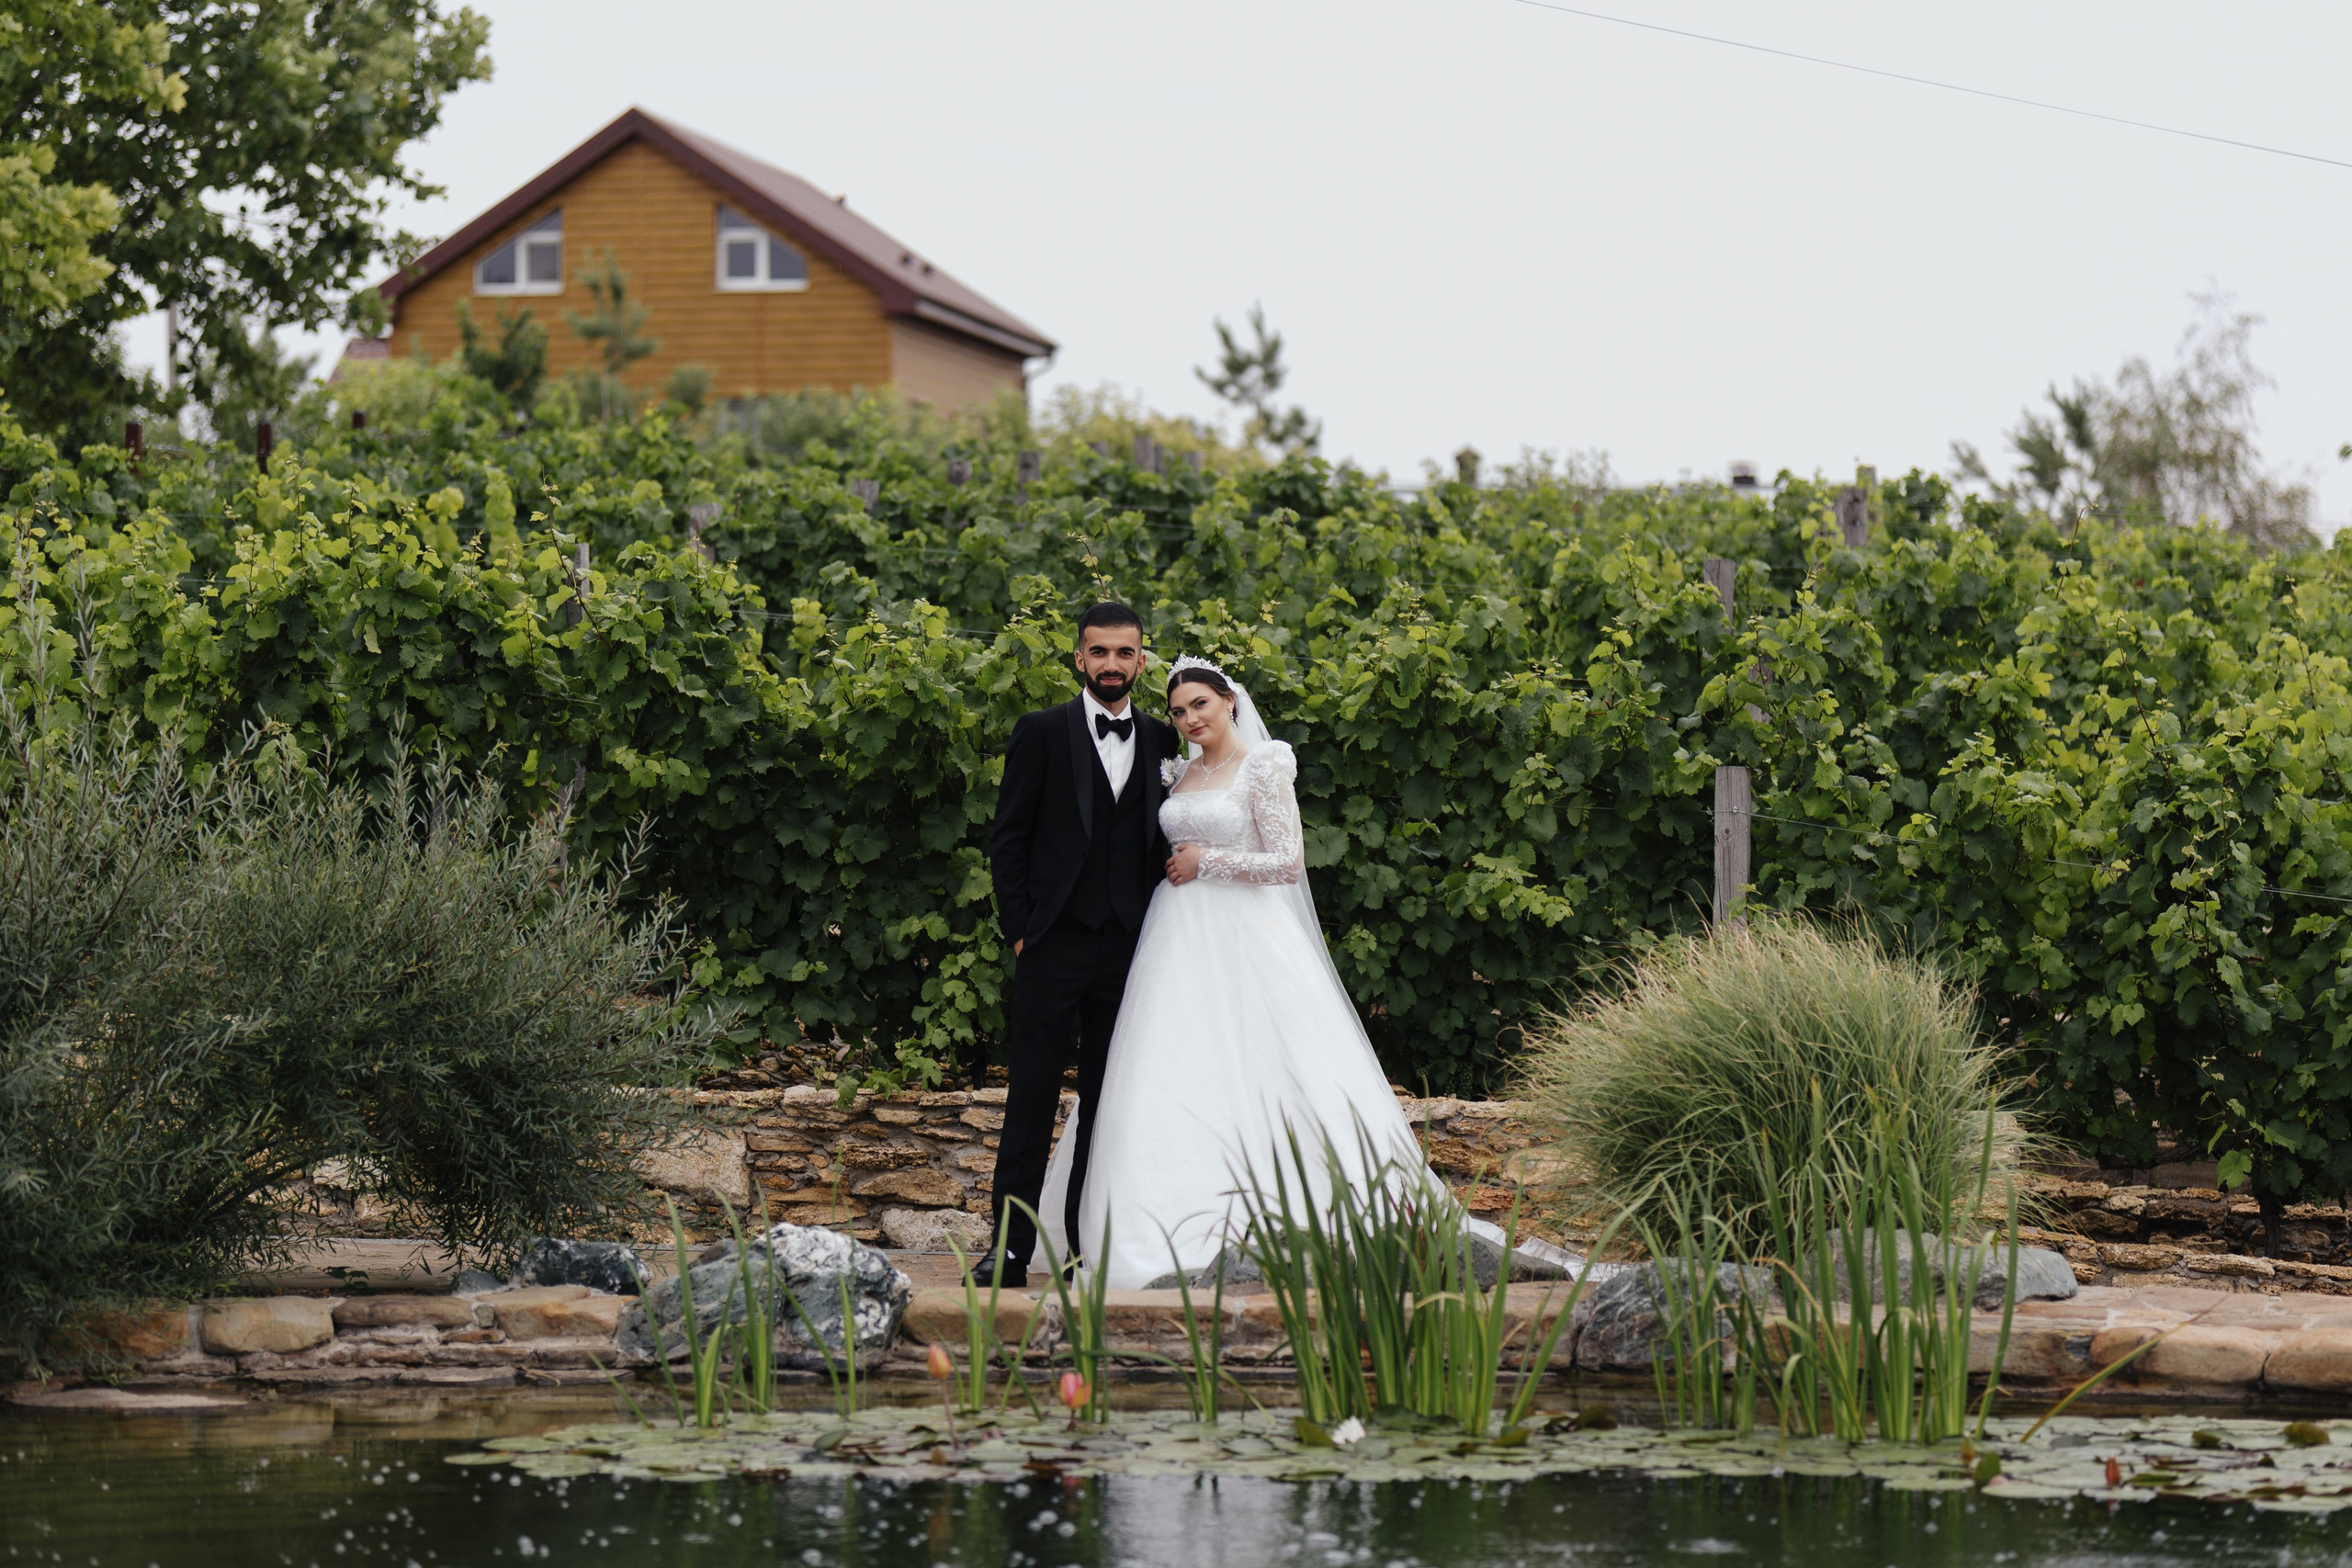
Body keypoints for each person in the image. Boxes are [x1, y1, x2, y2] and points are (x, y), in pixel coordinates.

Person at [1035, 656, 1431, 1288]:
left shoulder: (1264, 765)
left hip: (1246, 935)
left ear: (1228, 700)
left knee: (1272, 1062)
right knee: (1165, 1062)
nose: (1189, 719)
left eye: (1200, 704)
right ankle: (1147, 1225)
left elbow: (1287, 861)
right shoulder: (1179, 771)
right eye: (1178, 711)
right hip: (1174, 936)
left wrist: (1208, 862)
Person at [977, 603, 1182, 1286]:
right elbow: (1008, 838)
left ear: (1141, 661)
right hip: (1052, 944)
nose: (1112, 664)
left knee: (1107, 1102)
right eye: (1099, 651)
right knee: (1030, 1098)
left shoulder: (1163, 739)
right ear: (1079, 658)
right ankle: (1010, 1250)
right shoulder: (1040, 731)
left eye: (1124, 653)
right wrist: (1021, 930)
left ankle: (1078, 1249)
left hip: (1129, 949)